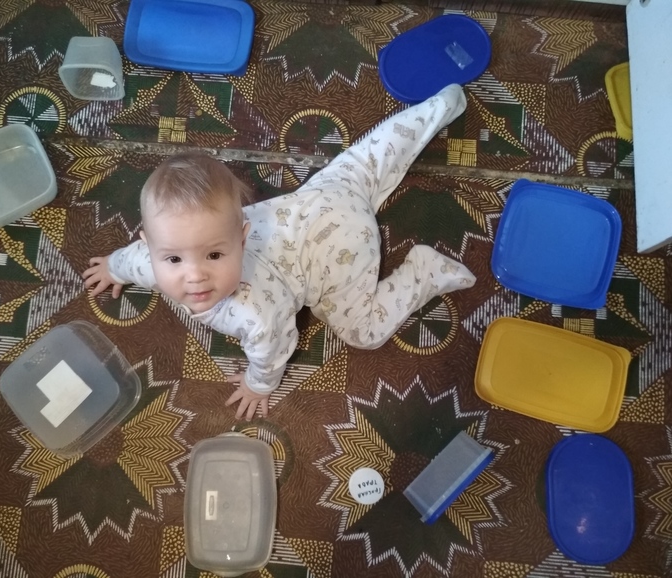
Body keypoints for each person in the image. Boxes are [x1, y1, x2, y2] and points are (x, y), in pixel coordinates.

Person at [83, 83, 476, 421]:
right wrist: (115, 269)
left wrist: (258, 386)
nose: (195, 275)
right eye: (173, 259)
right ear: (149, 246)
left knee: (364, 331)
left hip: (342, 255)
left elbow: (272, 354)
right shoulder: (148, 259)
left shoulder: (255, 315)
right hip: (324, 198)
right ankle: (437, 107)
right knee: (367, 159)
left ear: (242, 240)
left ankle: (424, 272)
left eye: (215, 256)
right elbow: (133, 260)